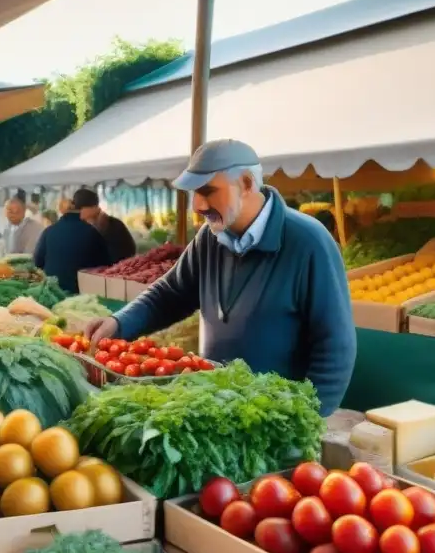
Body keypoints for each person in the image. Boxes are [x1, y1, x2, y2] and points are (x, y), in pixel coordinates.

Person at [85, 139, 357, 416]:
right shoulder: (209, 238)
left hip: (272, 420)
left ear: (247, 184)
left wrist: (306, 420)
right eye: (194, 193)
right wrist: (119, 322)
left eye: (208, 191)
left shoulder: (308, 242)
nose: (198, 205)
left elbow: (336, 346)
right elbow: (170, 294)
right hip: (214, 409)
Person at [33, 200, 111, 293]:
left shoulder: (49, 231)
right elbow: (105, 264)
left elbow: (37, 261)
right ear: (80, 210)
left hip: (53, 290)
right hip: (82, 290)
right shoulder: (92, 232)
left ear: (61, 211)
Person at [73, 188, 137, 263]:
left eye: (79, 209)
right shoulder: (79, 227)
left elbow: (128, 253)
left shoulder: (113, 225)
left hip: (112, 270)